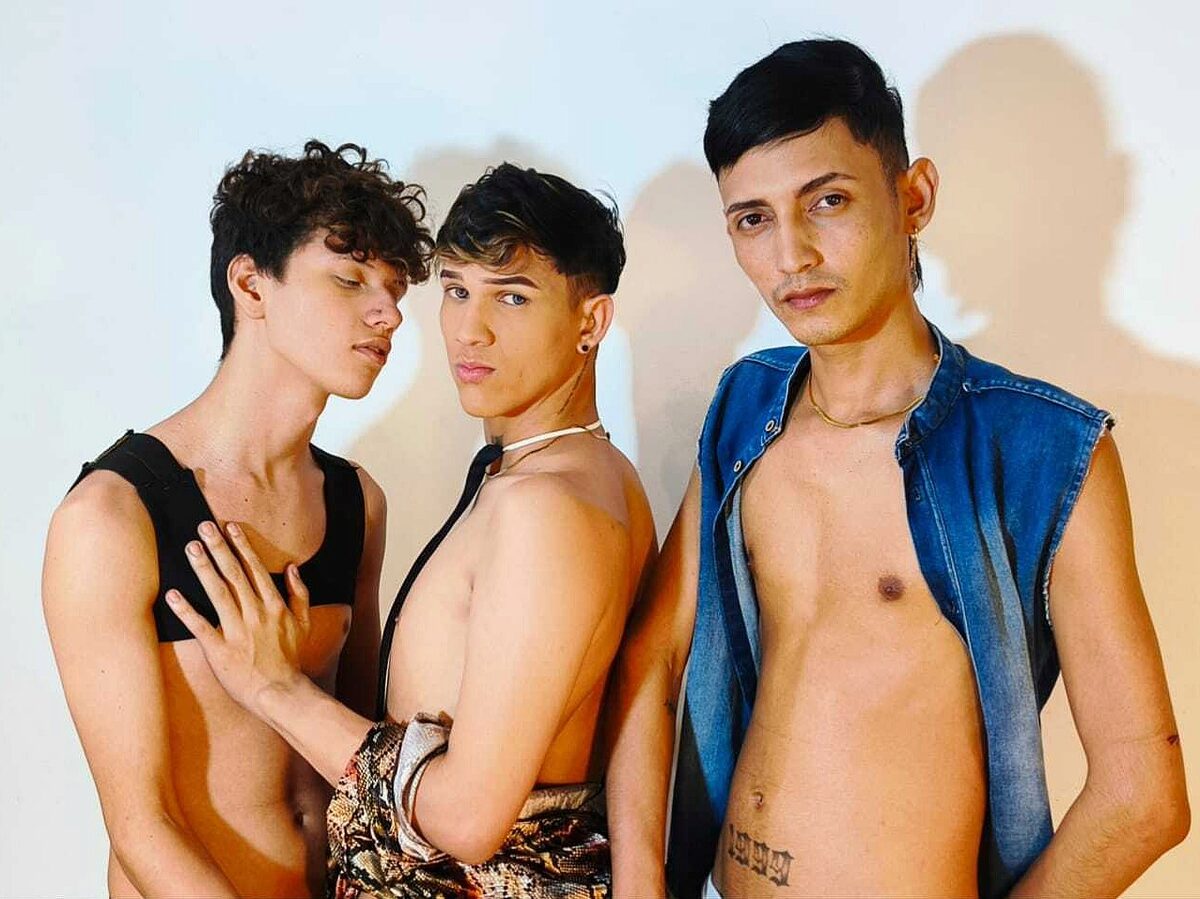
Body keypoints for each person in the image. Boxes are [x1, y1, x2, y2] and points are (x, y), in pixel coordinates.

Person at [606, 39, 1189, 899]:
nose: (792, 255)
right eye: (753, 219)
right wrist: (639, 883)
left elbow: (1144, 793)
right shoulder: (743, 408)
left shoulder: (1042, 447)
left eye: (827, 200)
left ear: (913, 197)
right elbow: (654, 656)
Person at [165, 163, 656, 896]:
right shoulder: (571, 474)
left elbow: (466, 820)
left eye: (512, 296)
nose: (470, 329)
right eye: (456, 290)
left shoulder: (544, 505)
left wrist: (274, 688)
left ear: (591, 322)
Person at [42, 140, 433, 897]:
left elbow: (360, 761)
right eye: (350, 279)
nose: (387, 313)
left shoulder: (357, 501)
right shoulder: (112, 515)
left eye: (394, 289)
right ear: (251, 284)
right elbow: (139, 826)